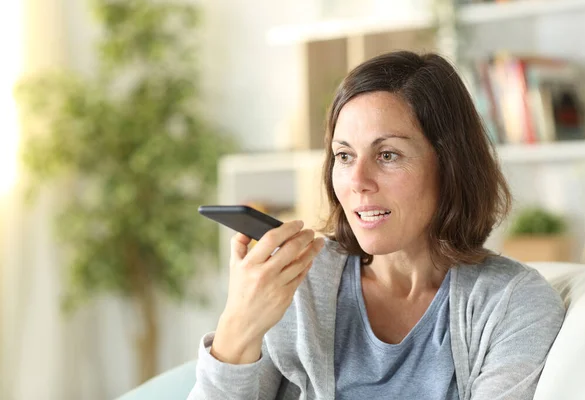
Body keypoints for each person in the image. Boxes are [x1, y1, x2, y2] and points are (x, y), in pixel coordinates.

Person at [187, 51, 565, 400]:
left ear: (451, 166)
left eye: (387, 154)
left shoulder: (513, 304)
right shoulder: (300, 280)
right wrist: (238, 326)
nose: (358, 180)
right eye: (344, 155)